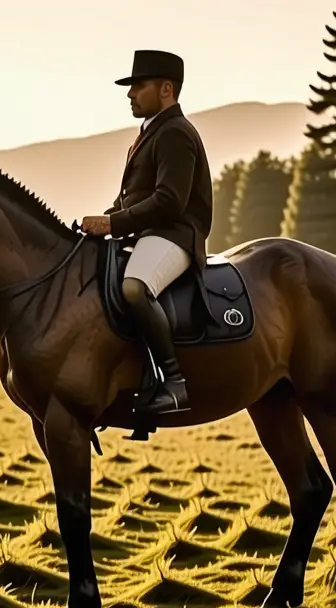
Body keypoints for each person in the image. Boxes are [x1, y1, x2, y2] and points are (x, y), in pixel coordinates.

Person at [81, 49, 213, 416]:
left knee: (135, 287)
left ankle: (174, 382)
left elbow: (169, 202)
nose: (130, 94)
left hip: (174, 236)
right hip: (146, 235)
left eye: (139, 85)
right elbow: (131, 200)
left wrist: (113, 224)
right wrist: (100, 222)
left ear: (167, 89)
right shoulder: (149, 133)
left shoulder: (176, 133)